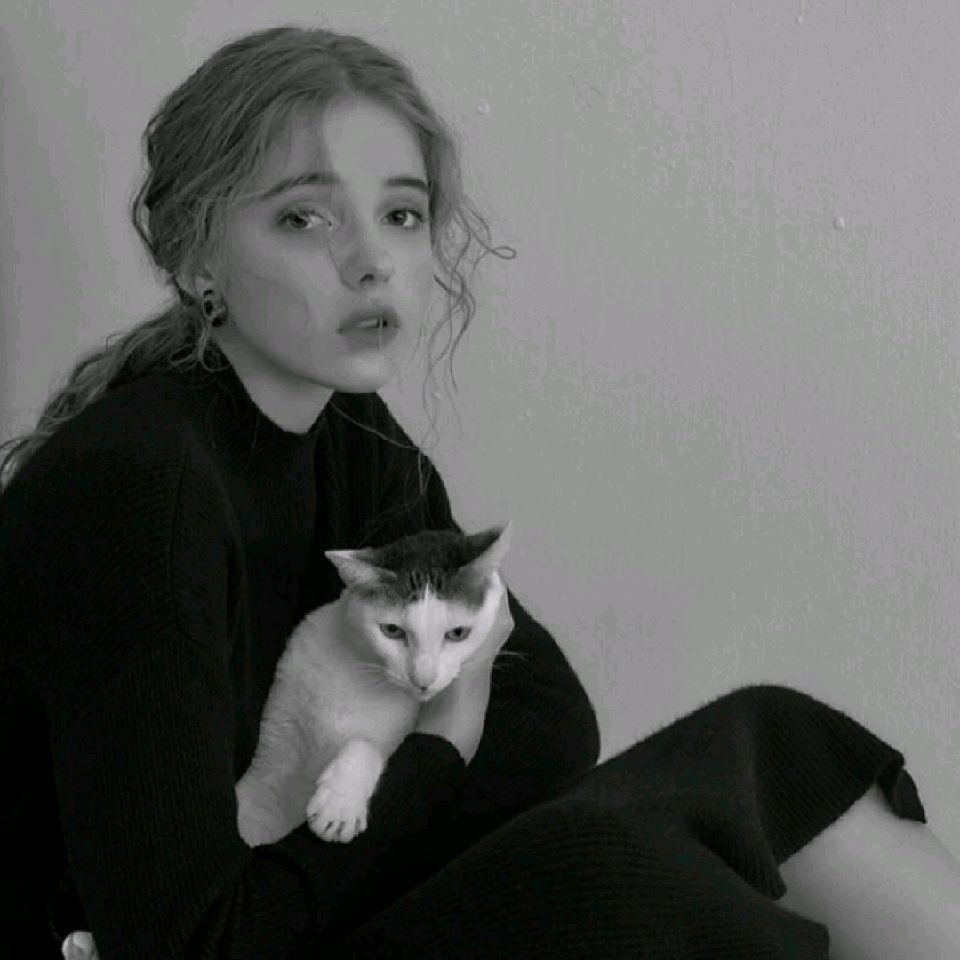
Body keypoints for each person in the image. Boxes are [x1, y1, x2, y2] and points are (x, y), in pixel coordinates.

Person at [0, 24, 958, 960]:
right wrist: (442, 744)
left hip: (296, 910)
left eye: (401, 215)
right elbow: (189, 940)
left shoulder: (351, 439)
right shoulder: (141, 488)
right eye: (305, 219)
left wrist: (412, 778)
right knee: (610, 872)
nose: (371, 261)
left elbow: (547, 727)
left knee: (775, 744)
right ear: (197, 256)